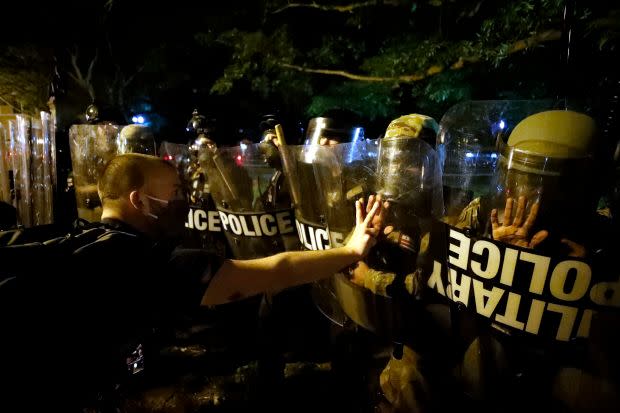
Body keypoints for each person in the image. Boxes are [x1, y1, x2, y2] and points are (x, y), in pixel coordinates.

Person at [7, 152, 385, 411]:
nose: (184, 201)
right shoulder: (149, 263)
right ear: (140, 201)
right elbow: (275, 270)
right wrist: (351, 251)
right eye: (174, 193)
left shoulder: (83, 239)